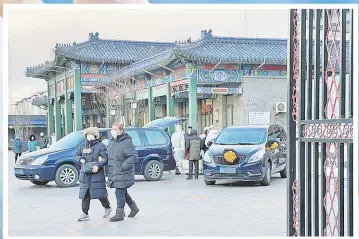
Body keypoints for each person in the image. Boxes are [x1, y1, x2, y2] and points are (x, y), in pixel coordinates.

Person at [75, 127, 111, 221]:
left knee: (99, 193)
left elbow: (105, 158)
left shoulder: (101, 146)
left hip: (96, 174)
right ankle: (85, 213)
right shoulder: (82, 146)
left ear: (95, 136)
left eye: (91, 134)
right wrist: (80, 159)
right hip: (85, 174)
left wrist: (98, 165)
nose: (89, 136)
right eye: (87, 134)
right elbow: (75, 156)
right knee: (85, 194)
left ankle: (107, 207)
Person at [107, 123, 139, 222]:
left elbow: (133, 156)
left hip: (123, 172)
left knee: (119, 192)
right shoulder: (112, 141)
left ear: (121, 130)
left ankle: (119, 214)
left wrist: (123, 166)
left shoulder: (127, 142)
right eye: (112, 129)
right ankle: (134, 208)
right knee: (123, 192)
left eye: (115, 129)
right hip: (115, 172)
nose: (113, 131)